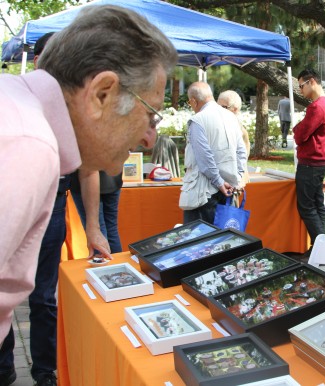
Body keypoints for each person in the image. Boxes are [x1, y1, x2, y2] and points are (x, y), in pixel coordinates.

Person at [0, 6, 177, 386]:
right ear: (101, 93)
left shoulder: (21, 116)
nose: (149, 138)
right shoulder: (28, 146)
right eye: (152, 114)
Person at [180, 82, 247, 224]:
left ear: (193, 101)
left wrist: (219, 181)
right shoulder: (231, 117)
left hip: (204, 192)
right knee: (222, 241)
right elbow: (241, 152)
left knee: (198, 241)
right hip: (228, 188)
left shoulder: (198, 120)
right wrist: (238, 178)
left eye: (189, 102)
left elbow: (204, 158)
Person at [292, 69, 325, 257]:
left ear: (311, 82)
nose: (300, 90)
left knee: (307, 206)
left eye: (301, 86)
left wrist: (296, 128)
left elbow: (300, 135)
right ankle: (321, 247)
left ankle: (321, 251)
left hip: (310, 164)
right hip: (318, 163)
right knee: (317, 205)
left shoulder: (317, 107)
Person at [71, 170, 124, 254]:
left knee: (96, 232)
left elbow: (89, 169)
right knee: (110, 229)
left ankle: (104, 265)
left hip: (86, 181)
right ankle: (116, 264)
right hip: (112, 176)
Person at [218, 90, 251, 186]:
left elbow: (242, 158)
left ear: (235, 109)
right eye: (217, 106)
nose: (218, 110)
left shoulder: (237, 128)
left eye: (223, 107)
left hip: (235, 180)